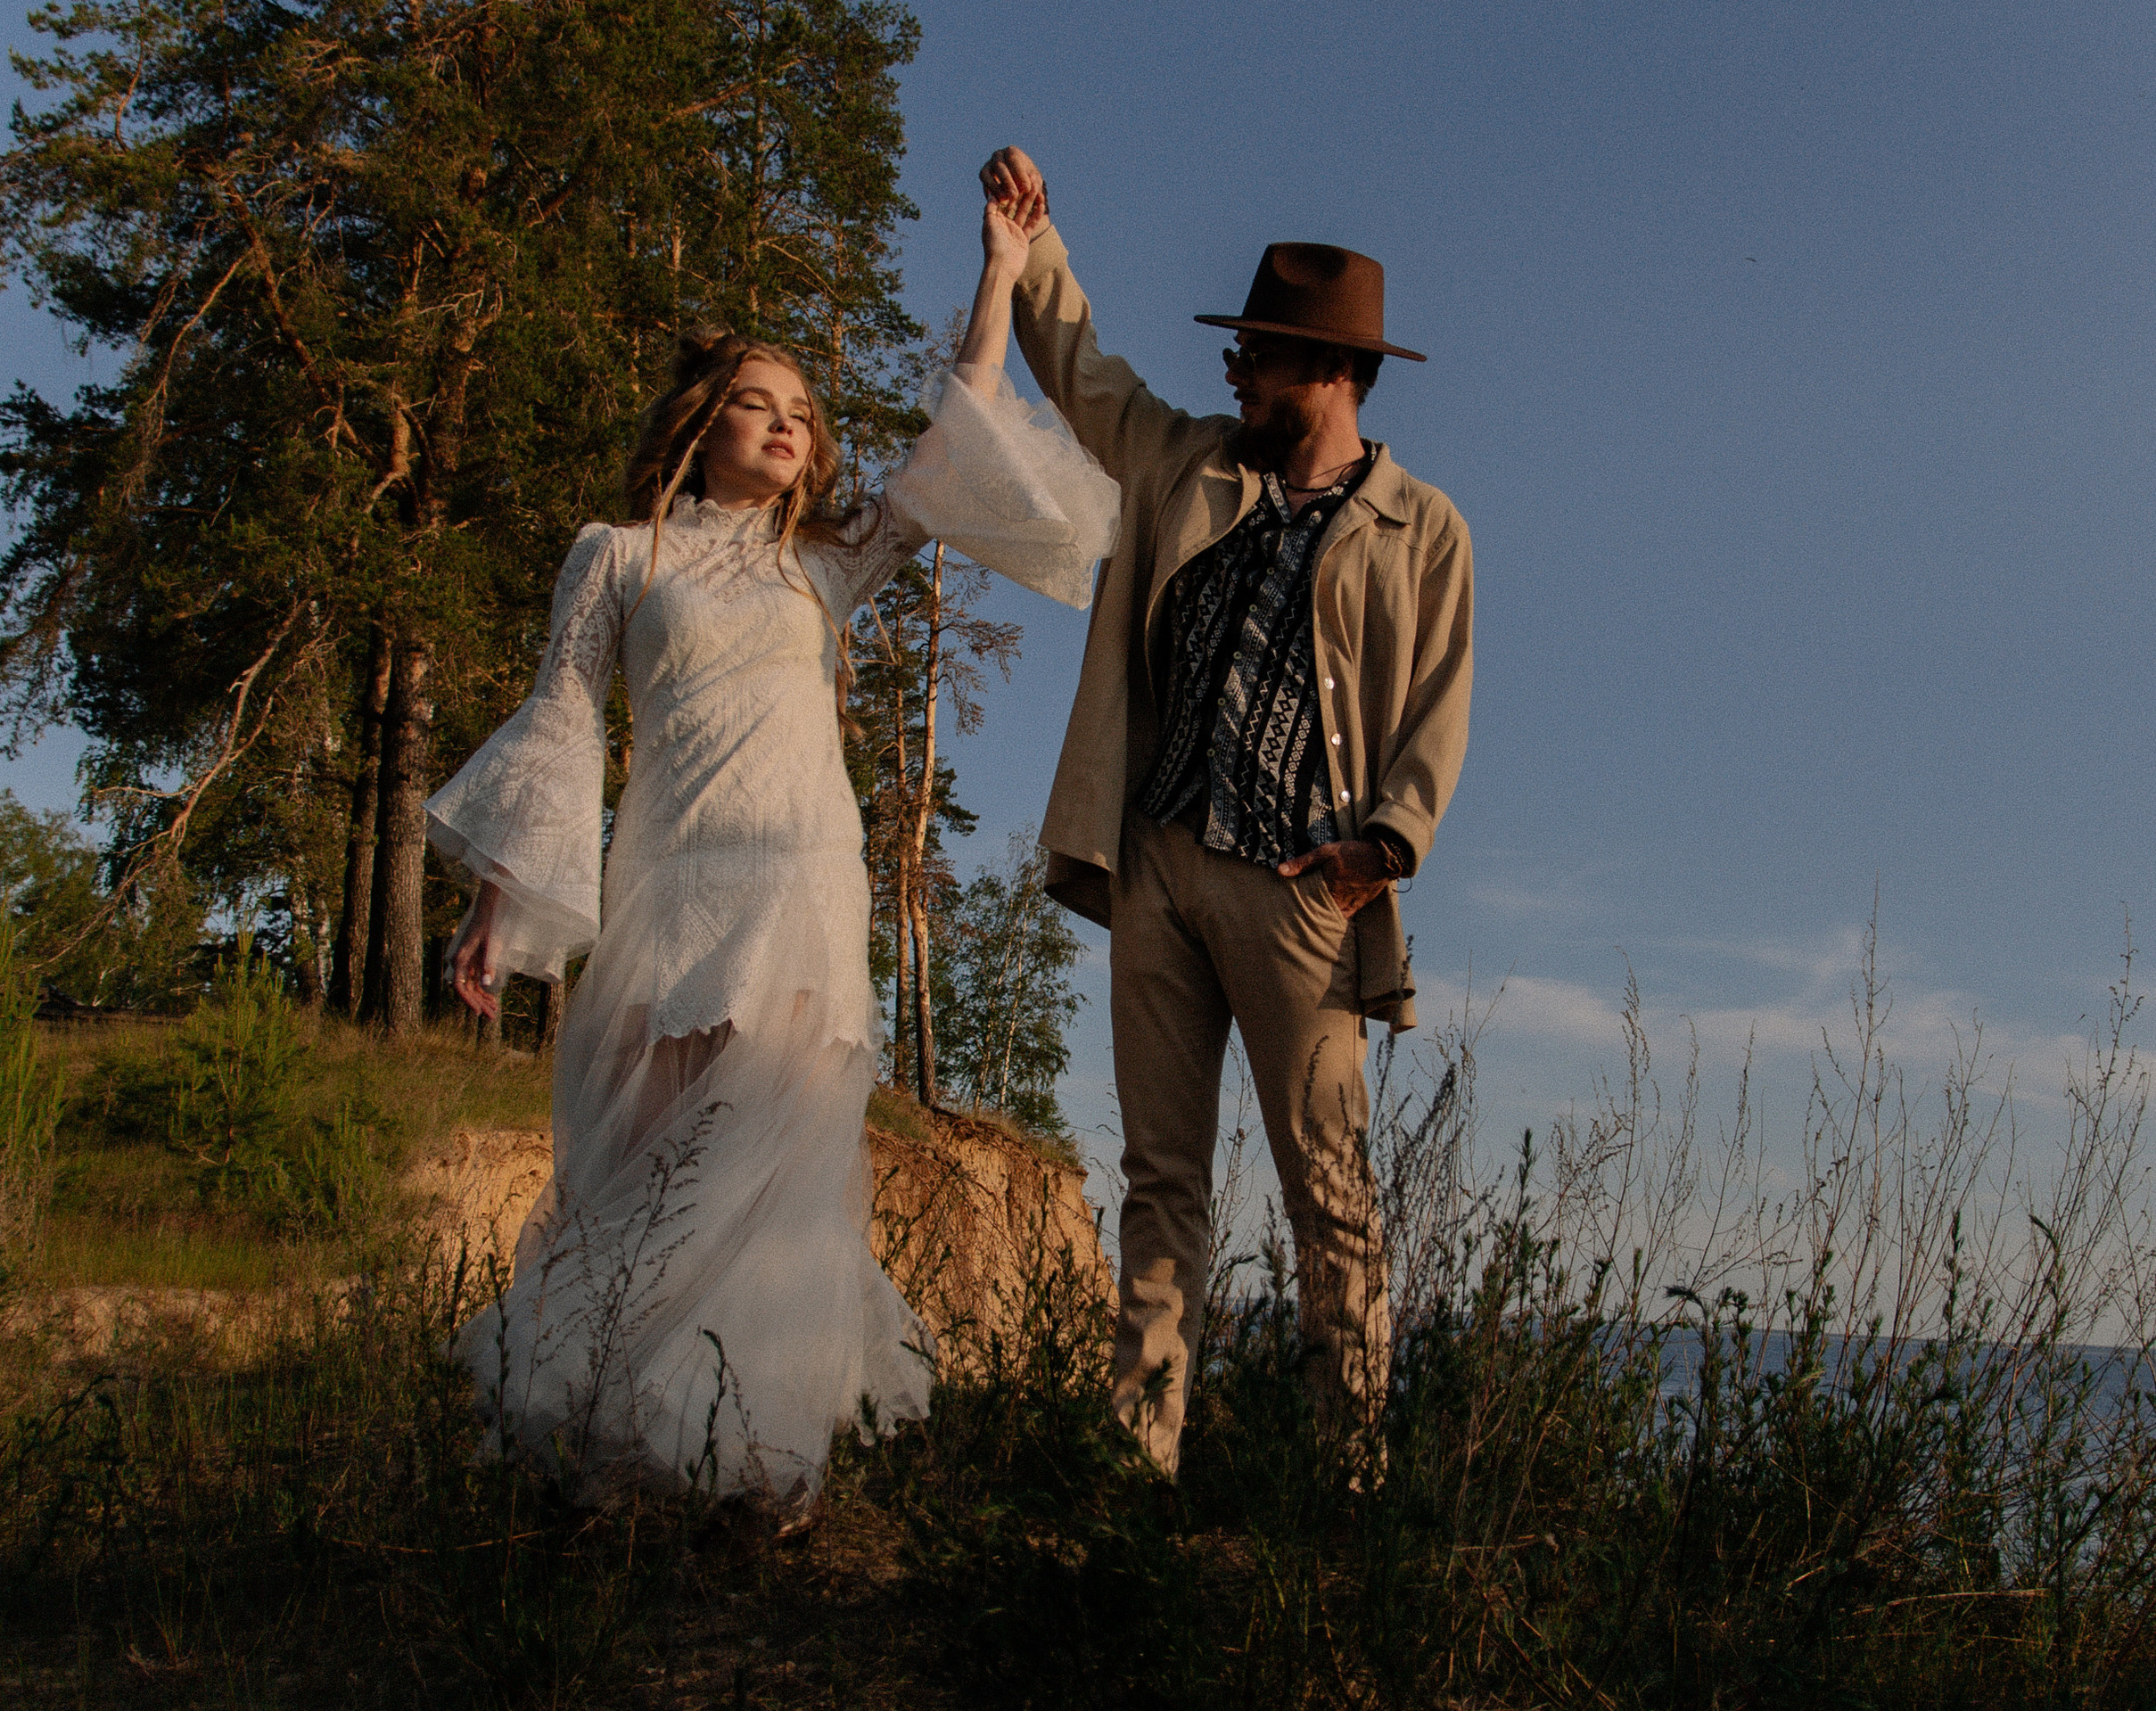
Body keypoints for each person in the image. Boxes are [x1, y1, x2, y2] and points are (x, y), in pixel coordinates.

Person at [424, 179, 1117, 1502]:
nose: (792, 425)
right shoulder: (615, 559)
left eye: (806, 412)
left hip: (803, 886)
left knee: (780, 1180)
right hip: (676, 891)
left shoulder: (826, 565)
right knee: (657, 1165)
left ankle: (754, 1460)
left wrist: (1000, 267)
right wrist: (498, 903)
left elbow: (952, 433)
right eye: (762, 403)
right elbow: (562, 723)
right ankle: (620, 1442)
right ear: (701, 421)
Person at [977, 144, 1474, 1475]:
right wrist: (1036, 243)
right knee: (1161, 1184)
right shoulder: (1186, 463)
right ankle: (1141, 1463)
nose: (1234, 372)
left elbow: (1439, 699)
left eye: (1255, 354)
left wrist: (1385, 845)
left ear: (1329, 371)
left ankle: (1345, 1479)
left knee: (1330, 1196)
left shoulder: (1420, 526)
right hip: (1158, 864)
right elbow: (1081, 369)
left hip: (1304, 891)